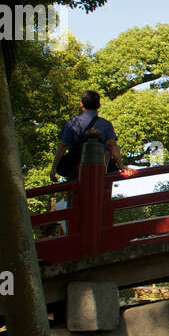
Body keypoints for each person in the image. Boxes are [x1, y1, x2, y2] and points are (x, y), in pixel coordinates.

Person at [48, 91, 133, 231]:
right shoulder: (105, 125)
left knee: (74, 203)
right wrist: (121, 165)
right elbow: (112, 145)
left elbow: (62, 146)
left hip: (76, 171)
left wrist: (54, 168)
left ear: (82, 104)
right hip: (101, 172)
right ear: (98, 105)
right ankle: (100, 231)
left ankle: (73, 232)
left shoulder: (73, 123)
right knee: (100, 203)